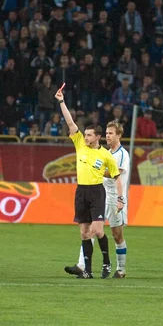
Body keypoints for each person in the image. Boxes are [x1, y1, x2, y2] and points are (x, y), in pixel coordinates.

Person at [55, 86, 124, 279]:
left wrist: (120, 199)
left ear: (98, 137)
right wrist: (61, 101)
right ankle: (87, 271)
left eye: (89, 135)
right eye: (84, 135)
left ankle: (107, 263)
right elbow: (69, 121)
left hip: (96, 192)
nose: (85, 138)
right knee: (85, 233)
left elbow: (117, 177)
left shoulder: (106, 156)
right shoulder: (79, 144)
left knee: (98, 230)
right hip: (81, 192)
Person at [65, 121, 131, 279]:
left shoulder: (121, 154)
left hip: (114, 197)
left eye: (111, 133)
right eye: (107, 133)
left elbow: (116, 174)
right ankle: (83, 265)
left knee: (116, 234)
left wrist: (93, 168)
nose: (108, 136)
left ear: (119, 136)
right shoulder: (104, 152)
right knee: (90, 230)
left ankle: (120, 269)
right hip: (100, 193)